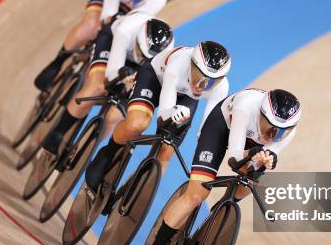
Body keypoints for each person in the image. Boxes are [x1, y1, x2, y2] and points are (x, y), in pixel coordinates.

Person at [137, 88, 301, 245]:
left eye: (279, 133)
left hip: (252, 145)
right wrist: (252, 156)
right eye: (269, 127)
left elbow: (266, 156)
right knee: (196, 194)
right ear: (261, 114)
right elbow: (235, 156)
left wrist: (266, 160)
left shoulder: (289, 130)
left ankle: (203, 237)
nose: (272, 135)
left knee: (245, 187)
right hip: (221, 128)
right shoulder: (246, 107)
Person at [82, 41, 232, 195]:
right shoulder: (178, 64)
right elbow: (163, 115)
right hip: (154, 79)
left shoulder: (221, 88)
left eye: (211, 82)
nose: (201, 85)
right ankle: (107, 154)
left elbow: (206, 133)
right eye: (199, 76)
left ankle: (132, 194)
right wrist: (172, 113)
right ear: (191, 65)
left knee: (166, 152)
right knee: (137, 124)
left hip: (185, 97)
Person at [38, 14, 175, 169]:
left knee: (114, 116)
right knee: (97, 87)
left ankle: (83, 149)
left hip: (140, 68)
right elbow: (111, 75)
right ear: (137, 39)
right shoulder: (125, 31)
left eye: (145, 57)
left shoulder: (164, 55)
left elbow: (151, 78)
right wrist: (121, 78)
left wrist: (134, 81)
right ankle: (58, 132)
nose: (140, 57)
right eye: (140, 51)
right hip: (111, 43)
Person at [34, 0, 169, 92]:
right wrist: (106, 23)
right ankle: (57, 62)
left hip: (134, 12)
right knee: (91, 25)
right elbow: (107, 14)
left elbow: (133, 21)